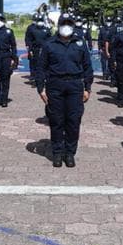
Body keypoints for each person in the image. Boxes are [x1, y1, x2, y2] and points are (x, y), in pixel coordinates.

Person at [36, 14, 93, 168]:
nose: (66, 26)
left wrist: (88, 88)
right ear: (59, 25)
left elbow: (88, 67)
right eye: (64, 24)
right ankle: (57, 153)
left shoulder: (80, 44)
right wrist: (40, 89)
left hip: (75, 85)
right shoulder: (49, 44)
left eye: (69, 24)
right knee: (56, 121)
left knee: (73, 121)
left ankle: (70, 153)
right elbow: (40, 68)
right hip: (55, 85)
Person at [0, 13, 17, 107]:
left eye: (1, 19)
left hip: (6, 56)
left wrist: (13, 58)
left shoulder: (9, 31)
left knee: (6, 79)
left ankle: (5, 99)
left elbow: (13, 45)